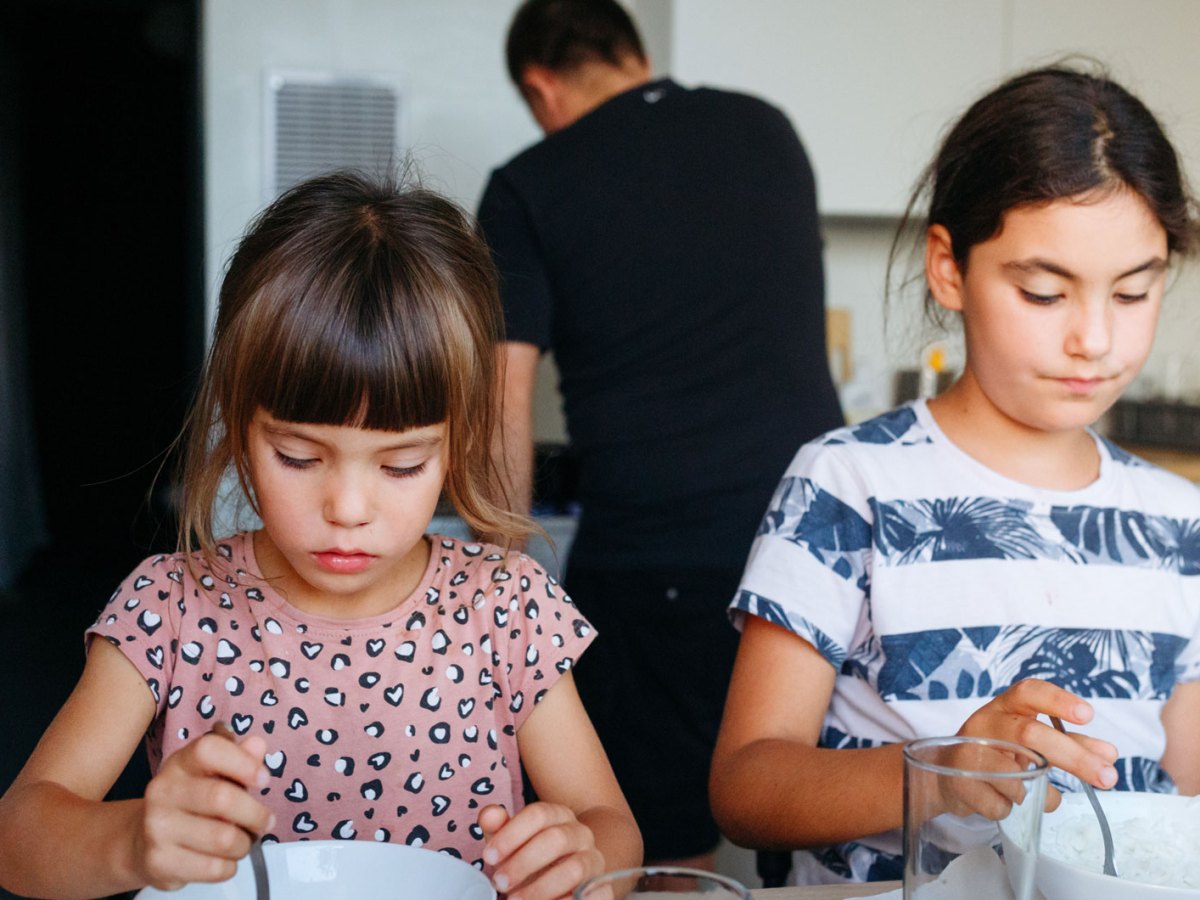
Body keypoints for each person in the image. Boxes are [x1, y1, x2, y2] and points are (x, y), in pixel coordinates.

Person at [0, 170, 641, 900]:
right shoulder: (172, 607)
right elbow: (18, 835)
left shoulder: (505, 605)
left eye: (401, 464)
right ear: (239, 428)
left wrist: (582, 859)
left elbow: (610, 823)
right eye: (299, 457)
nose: (347, 506)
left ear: (456, 444)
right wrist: (132, 839)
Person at [709, 64, 1200, 884]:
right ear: (949, 267)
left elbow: (1183, 791)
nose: (1094, 338)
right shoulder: (849, 485)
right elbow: (745, 784)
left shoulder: (1177, 520)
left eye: (1133, 292)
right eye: (1045, 292)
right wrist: (940, 773)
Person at [476, 0, 844, 869]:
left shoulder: (530, 183)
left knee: (661, 856)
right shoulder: (766, 130)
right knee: (801, 824)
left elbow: (501, 403)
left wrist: (494, 581)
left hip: (659, 563)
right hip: (815, 547)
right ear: (631, 53)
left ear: (541, 85)